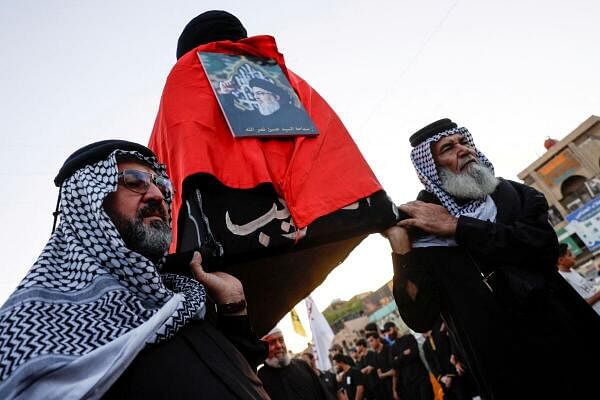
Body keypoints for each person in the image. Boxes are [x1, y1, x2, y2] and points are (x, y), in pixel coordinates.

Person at [0, 140, 269, 399]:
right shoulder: (30, 329)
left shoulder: (183, 298)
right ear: (89, 202)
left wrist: (234, 307)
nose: (157, 196)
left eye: (162, 187)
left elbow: (236, 379)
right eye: (133, 181)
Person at [384, 118, 600, 399]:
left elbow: (541, 249)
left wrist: (459, 228)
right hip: (505, 369)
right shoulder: (423, 231)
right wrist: (401, 247)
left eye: (464, 142)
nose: (464, 150)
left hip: (566, 340)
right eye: (448, 148)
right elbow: (420, 318)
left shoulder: (514, 195)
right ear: (431, 169)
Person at [258, 328, 334, 400]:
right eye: (272, 342)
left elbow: (324, 394)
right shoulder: (260, 380)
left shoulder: (302, 365)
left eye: (281, 340)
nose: (279, 346)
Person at [383, 323, 432, 400]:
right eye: (386, 332)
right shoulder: (392, 348)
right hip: (408, 383)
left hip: (421, 377)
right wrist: (403, 354)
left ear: (395, 328)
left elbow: (414, 354)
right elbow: (393, 364)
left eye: (389, 330)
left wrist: (398, 358)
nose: (388, 334)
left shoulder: (409, 338)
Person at [557, 243, 600, 315]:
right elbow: (579, 307)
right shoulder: (563, 279)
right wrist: (598, 295)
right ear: (561, 260)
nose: (574, 256)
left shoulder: (571, 270)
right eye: (570, 255)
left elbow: (587, 284)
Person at [365, 331, 394, 400]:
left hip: (397, 384)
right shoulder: (375, 355)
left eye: (372, 341)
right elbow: (379, 372)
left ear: (378, 339)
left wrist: (383, 375)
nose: (370, 344)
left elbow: (394, 371)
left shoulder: (389, 349)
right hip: (386, 389)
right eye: (369, 342)